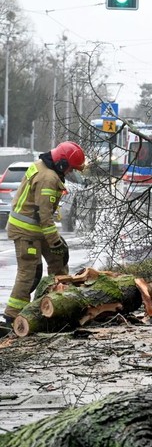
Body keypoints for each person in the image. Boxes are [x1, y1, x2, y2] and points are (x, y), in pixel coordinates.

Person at [1, 141, 85, 331]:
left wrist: (57, 246)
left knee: (59, 259)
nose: (71, 172)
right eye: (71, 168)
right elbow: (44, 217)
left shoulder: (42, 166)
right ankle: (12, 316)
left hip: (36, 228)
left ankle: (59, 303)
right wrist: (55, 241)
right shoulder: (48, 178)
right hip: (26, 230)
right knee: (30, 273)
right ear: (62, 163)